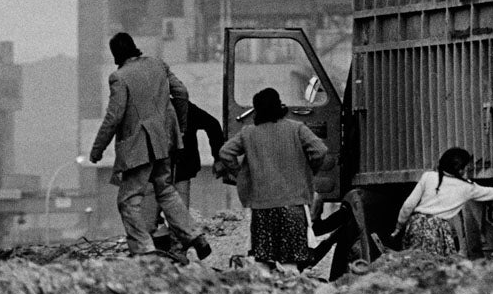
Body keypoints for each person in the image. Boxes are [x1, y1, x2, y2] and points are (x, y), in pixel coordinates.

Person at [89, 32, 210, 261]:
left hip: (139, 146)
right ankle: (195, 236)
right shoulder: (158, 65)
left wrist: (97, 149)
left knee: (127, 201)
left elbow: (114, 117)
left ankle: (144, 249)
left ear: (116, 55)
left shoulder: (119, 77)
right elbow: (181, 92)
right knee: (165, 191)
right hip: (165, 141)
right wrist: (180, 125)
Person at [212, 87, 332, 269]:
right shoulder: (296, 128)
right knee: (291, 262)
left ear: (257, 110)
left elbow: (225, 152)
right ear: (279, 106)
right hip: (294, 206)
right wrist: (309, 169)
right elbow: (320, 150)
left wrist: (240, 175)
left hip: (262, 207)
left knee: (263, 262)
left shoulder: (248, 133)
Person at [391, 147, 493, 255]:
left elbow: (408, 205)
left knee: (415, 262)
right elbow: (492, 192)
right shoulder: (467, 187)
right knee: (436, 267)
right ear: (461, 170)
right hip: (437, 231)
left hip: (415, 225)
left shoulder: (428, 176)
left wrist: (399, 226)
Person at [152, 100, 224, 256]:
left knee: (152, 215)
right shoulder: (183, 107)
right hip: (181, 168)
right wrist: (218, 157)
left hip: (159, 171)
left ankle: (168, 250)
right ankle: (180, 250)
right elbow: (212, 124)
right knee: (179, 209)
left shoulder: (147, 109)